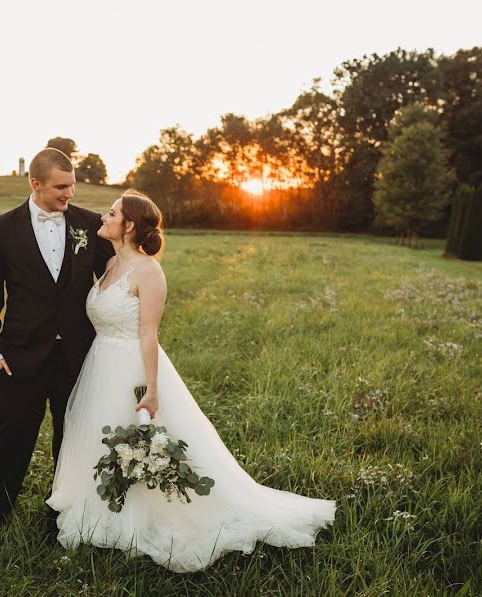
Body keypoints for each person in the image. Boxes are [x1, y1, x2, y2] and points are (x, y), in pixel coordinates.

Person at [47, 189, 336, 572]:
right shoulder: (111, 265)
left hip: (131, 367)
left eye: (112, 213)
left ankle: (147, 513)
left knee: (135, 438)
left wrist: (152, 390)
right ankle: (101, 507)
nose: (104, 216)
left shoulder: (148, 271)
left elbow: (149, 334)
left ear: (129, 225)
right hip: (99, 364)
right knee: (99, 436)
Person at [0, 147, 113, 538]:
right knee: (12, 438)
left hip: (76, 355)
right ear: (35, 184)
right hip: (19, 357)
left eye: (72, 185)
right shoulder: (1, 228)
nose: (69, 194)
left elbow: (113, 277)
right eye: (60, 187)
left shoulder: (89, 223)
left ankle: (61, 516)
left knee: (70, 439)